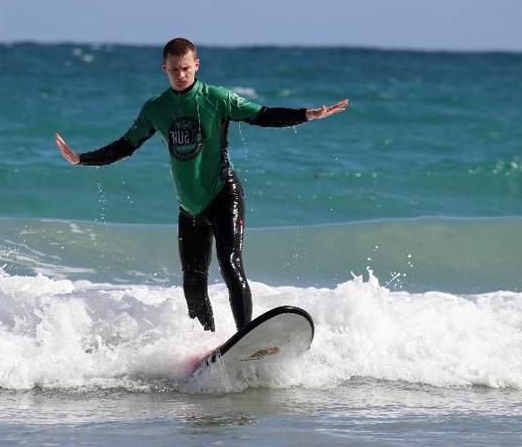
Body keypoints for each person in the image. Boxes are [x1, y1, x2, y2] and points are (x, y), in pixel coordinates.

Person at [54, 37, 347, 332]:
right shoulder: (156, 108)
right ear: (163, 68)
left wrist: (306, 114)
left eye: (185, 68)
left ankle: (245, 336)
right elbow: (125, 145)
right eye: (174, 70)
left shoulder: (216, 98)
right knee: (193, 284)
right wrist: (82, 159)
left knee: (230, 264)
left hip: (223, 193)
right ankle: (207, 344)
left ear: (196, 65)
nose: (180, 76)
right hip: (189, 206)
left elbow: (262, 114)